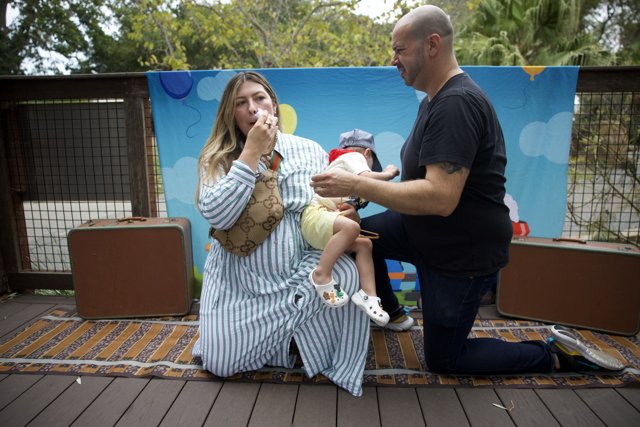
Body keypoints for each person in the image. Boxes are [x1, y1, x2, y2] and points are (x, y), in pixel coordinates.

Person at [310, 5, 624, 375]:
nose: (393, 59)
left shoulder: (457, 103)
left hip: (461, 249)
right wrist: (357, 201)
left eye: (399, 50)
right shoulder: (435, 98)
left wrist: (357, 183)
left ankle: (552, 355)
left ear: (432, 44)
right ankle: (394, 314)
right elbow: (423, 188)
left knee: (446, 360)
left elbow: (440, 199)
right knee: (357, 233)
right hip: (425, 230)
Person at [192, 71, 370, 397]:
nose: (252, 108)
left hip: (300, 271)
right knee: (219, 362)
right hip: (240, 280)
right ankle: (287, 345)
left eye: (259, 98)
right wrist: (251, 153)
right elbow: (219, 213)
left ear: (273, 105)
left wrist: (344, 210)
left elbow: (321, 205)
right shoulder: (217, 157)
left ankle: (286, 341)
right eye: (241, 103)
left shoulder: (309, 150)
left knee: (345, 272)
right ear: (231, 114)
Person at [302, 129, 399, 326]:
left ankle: (369, 296)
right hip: (315, 216)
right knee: (352, 230)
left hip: (327, 221)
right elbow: (366, 179)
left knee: (364, 245)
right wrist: (388, 173)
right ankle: (321, 273)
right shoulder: (353, 157)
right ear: (367, 154)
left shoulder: (342, 168)